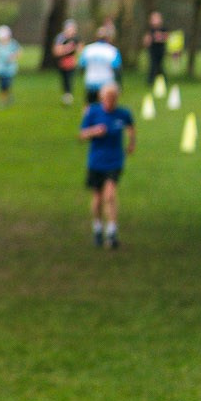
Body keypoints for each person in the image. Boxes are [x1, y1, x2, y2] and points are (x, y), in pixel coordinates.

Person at [79, 80, 136, 248]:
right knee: (97, 199)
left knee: (110, 195)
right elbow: (82, 135)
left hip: (115, 160)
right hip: (96, 161)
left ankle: (111, 231)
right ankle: (97, 227)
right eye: (107, 98)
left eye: (113, 98)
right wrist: (94, 131)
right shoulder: (93, 113)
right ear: (101, 97)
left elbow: (131, 127)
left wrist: (131, 143)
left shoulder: (123, 114)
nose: (110, 101)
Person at [79, 26, 122, 105]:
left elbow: (81, 65)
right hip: (106, 83)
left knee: (89, 105)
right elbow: (117, 68)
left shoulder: (88, 49)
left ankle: (87, 117)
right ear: (108, 38)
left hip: (91, 81)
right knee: (104, 106)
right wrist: (119, 84)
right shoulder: (112, 51)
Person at [0, 24, 21, 108]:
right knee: (1, 84)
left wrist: (13, 57)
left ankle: (6, 97)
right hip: (0, 68)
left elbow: (18, 51)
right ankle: (4, 99)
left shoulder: (12, 43)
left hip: (10, 69)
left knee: (7, 83)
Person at [52, 19, 81, 105]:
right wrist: (67, 49)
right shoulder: (60, 38)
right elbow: (56, 51)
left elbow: (80, 49)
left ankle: (68, 95)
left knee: (69, 79)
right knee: (64, 79)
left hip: (71, 61)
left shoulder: (76, 38)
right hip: (62, 61)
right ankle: (66, 94)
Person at [142, 11, 169, 88]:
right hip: (152, 50)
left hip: (160, 50)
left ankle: (162, 81)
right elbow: (147, 41)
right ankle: (150, 81)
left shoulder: (163, 29)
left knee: (160, 66)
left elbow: (166, 37)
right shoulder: (150, 30)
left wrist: (159, 37)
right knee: (153, 65)